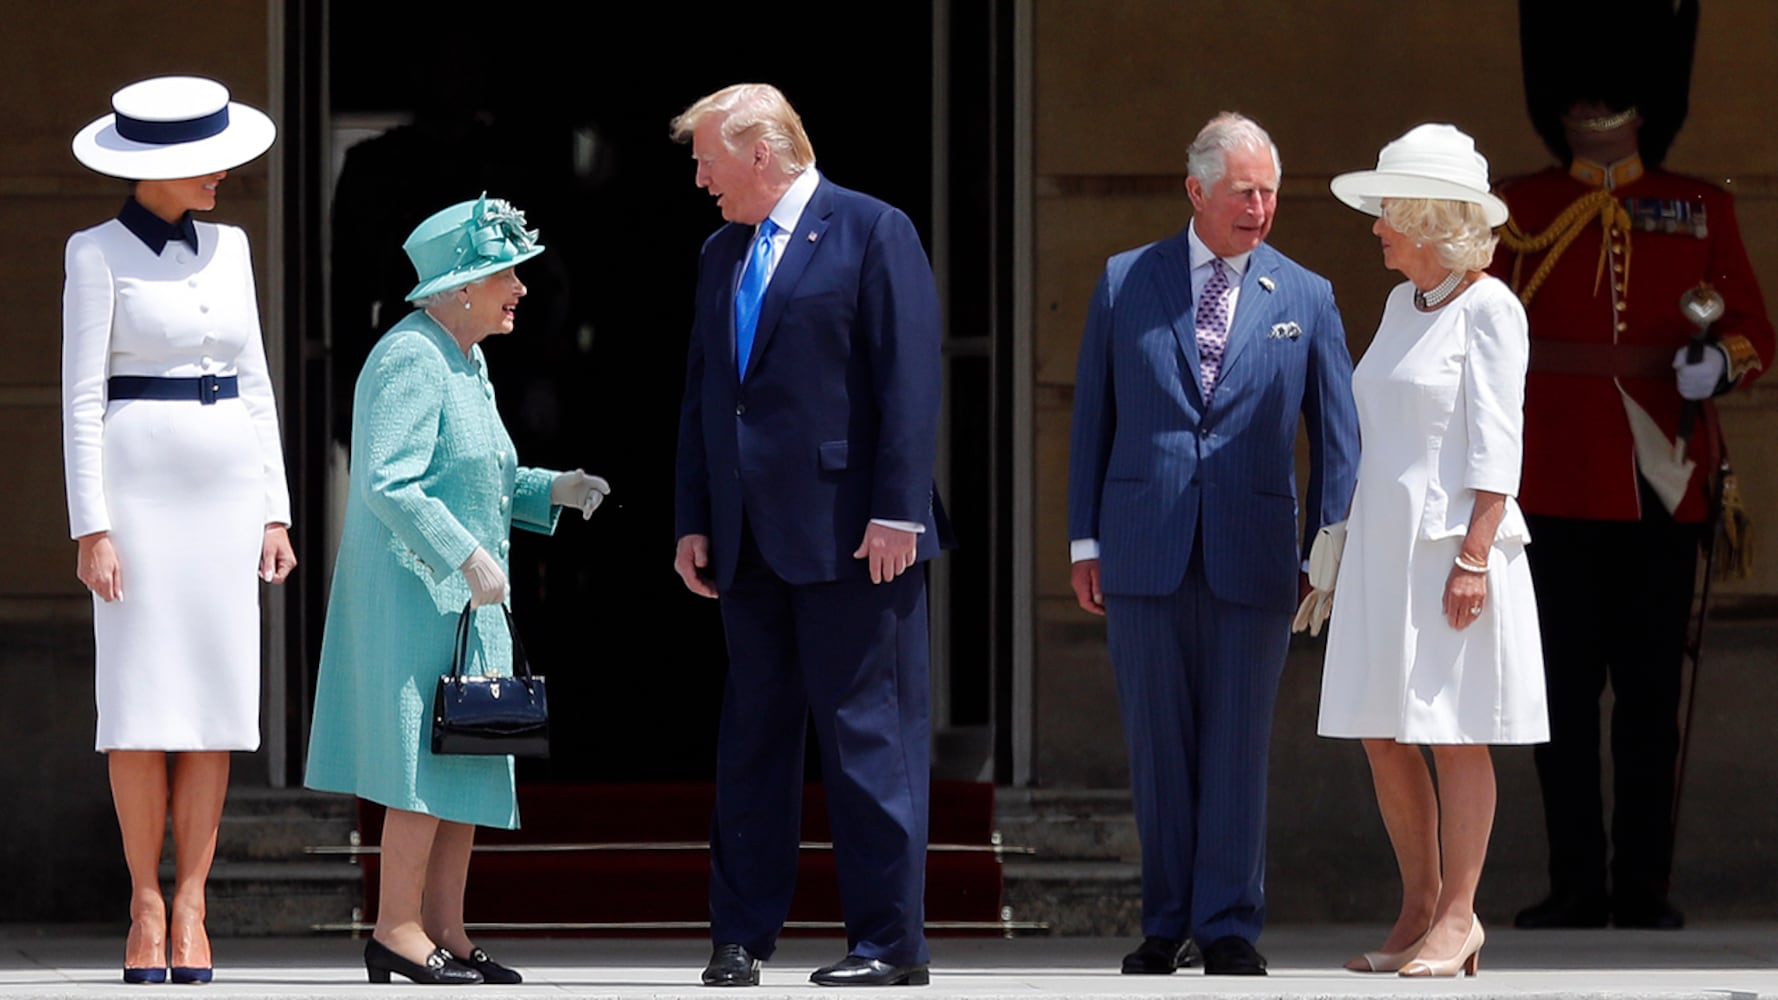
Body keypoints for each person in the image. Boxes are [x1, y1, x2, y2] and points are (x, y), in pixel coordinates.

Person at [1497, 1, 1774, 930]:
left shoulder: (1700, 206)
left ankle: (1643, 885)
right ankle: (1578, 882)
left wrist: (1717, 361)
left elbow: (1754, 330)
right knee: (1564, 704)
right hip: (1554, 490)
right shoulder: (1520, 209)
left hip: (1664, 484)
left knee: (1651, 705)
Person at [1066, 112, 1360, 977]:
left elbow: (1337, 439)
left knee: (1238, 743)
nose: (1262, 208)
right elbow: (1093, 420)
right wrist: (1086, 542)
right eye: (1245, 191)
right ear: (1196, 191)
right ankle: (1165, 923)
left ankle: (1228, 922)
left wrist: (1327, 550)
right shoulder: (1126, 281)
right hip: (1143, 546)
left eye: (1271, 191)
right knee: (1158, 743)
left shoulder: (1305, 296)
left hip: (1254, 552)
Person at [669, 83, 943, 988]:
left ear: (760, 152)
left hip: (857, 537)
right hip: (749, 541)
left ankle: (888, 944)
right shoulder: (720, 251)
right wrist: (694, 518)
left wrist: (899, 509)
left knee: (870, 741)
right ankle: (739, 937)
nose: (700, 176)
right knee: (752, 743)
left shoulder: (872, 229)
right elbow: (707, 395)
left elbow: (907, 378)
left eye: (708, 157)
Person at [304, 195, 609, 985]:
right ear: (460, 285)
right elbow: (387, 481)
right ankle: (396, 929)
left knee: (468, 756)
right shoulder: (410, 354)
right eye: (506, 272)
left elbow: (483, 476)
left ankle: (445, 928)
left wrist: (554, 490)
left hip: (466, 601)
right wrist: (464, 553)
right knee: (419, 764)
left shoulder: (467, 360)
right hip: (417, 595)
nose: (521, 288)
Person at [62, 75, 295, 985]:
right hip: (138, 490)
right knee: (136, 708)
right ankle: (144, 904)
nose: (225, 172)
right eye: (206, 161)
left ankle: (193, 903)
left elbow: (258, 382)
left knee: (211, 706)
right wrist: (93, 526)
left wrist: (275, 508)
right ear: (155, 169)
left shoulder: (232, 245)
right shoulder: (95, 251)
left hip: (226, 488)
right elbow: (82, 397)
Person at [1319, 124, 1548, 978]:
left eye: (1388, 210)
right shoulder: (1397, 304)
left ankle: (1461, 915)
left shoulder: (1492, 307)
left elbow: (1498, 443)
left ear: (1424, 216)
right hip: (1384, 544)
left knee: (1455, 734)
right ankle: (1418, 904)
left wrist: (1478, 554)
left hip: (1452, 547)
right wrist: (1342, 546)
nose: (1376, 224)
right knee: (1383, 731)